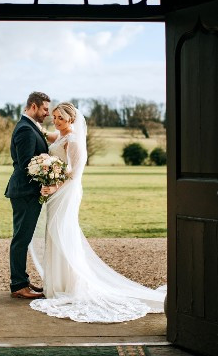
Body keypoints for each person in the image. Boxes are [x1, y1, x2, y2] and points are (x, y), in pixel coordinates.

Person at [29, 102, 166, 322]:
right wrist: (32, 123)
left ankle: (70, 285)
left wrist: (54, 185)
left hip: (66, 191)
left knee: (64, 233)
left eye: (60, 118)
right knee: (53, 234)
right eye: (54, 117)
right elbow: (49, 135)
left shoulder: (73, 140)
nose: (56, 121)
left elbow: (74, 172)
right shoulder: (61, 135)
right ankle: (55, 285)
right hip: (56, 193)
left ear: (71, 120)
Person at [5, 91, 51, 299]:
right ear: (33, 106)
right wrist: (47, 174)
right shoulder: (25, 129)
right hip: (25, 191)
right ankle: (18, 286)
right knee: (21, 239)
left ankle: (22, 281)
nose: (47, 113)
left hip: (27, 191)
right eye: (45, 109)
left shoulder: (31, 126)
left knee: (23, 237)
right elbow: (26, 165)